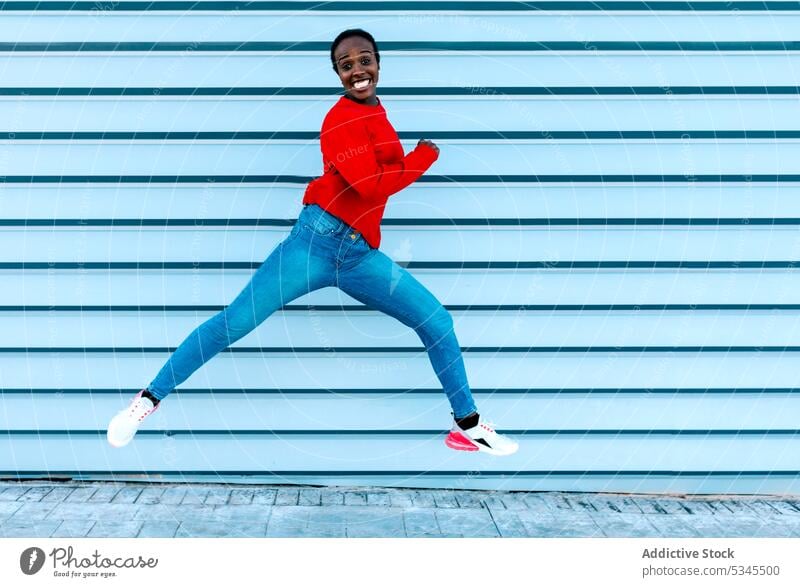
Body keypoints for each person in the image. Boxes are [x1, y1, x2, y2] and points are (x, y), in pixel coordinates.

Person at [107, 28, 518, 456]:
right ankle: (146, 402)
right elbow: (370, 187)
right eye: (346, 65)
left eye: (365, 61)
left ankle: (467, 424)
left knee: (436, 321)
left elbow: (383, 176)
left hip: (358, 256)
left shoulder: (378, 113)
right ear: (337, 73)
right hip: (314, 244)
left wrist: (406, 161)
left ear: (379, 63)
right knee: (235, 322)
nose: (358, 71)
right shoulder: (339, 120)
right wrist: (423, 157)